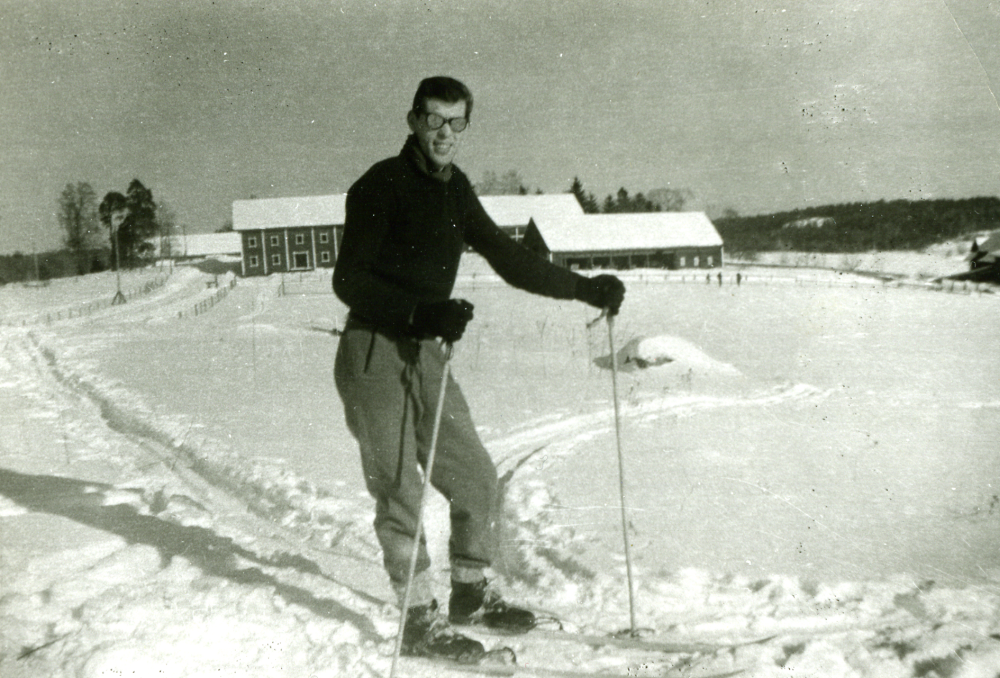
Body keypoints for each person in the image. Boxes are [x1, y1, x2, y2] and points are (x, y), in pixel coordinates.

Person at [333, 76, 625, 661]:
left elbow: (508, 256)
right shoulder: (379, 185)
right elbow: (350, 280)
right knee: (399, 488)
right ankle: (417, 619)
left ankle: (470, 592)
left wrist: (584, 288)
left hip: (428, 355)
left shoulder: (456, 190)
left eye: (456, 122)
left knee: (475, 477)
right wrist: (418, 310)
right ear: (413, 119)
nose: (445, 134)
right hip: (374, 350)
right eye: (435, 120)